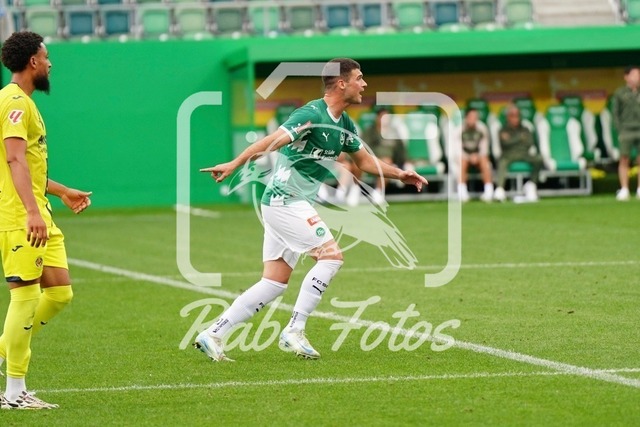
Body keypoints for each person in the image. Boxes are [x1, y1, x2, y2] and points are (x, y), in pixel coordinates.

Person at [197, 58, 428, 361]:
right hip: (285, 200)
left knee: (273, 283)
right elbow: (273, 141)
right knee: (332, 257)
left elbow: (364, 161)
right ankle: (294, 330)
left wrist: (400, 174)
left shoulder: (344, 123)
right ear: (342, 83)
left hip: (286, 203)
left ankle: (213, 333)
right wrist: (235, 163)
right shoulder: (311, 114)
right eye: (359, 78)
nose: (364, 84)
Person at [0, 31, 92, 410]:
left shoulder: (24, 102)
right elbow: (14, 160)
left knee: (59, 292)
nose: (50, 63)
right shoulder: (13, 102)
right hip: (21, 217)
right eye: (46, 56)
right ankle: (14, 392)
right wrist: (32, 213)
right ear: (33, 61)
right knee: (25, 297)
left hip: (38, 212)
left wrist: (62, 191)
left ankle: (5, 352)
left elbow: (29, 166)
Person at [494, 104, 544, 202]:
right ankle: (500, 189)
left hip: (524, 153)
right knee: (502, 162)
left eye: (517, 116)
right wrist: (520, 138)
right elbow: (505, 143)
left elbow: (529, 143)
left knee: (539, 159)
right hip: (509, 154)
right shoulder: (503, 129)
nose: (515, 119)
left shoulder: (525, 128)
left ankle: (531, 184)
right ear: (508, 117)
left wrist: (513, 139)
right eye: (512, 116)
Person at [361, 107, 408, 204]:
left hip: (390, 161)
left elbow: (400, 150)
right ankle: (357, 191)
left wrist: (403, 163)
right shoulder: (370, 131)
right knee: (385, 161)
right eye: (382, 117)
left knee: (387, 162)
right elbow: (363, 148)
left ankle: (378, 191)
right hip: (372, 160)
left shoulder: (393, 132)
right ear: (377, 118)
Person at [611, 65, 640, 201]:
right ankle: (624, 189)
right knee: (624, 159)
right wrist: (620, 130)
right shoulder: (620, 93)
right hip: (626, 130)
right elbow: (615, 114)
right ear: (626, 77)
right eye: (634, 75)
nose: (637, 78)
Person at [457, 108, 493, 202]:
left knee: (485, 160)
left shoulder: (482, 128)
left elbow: (485, 147)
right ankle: (462, 193)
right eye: (471, 117)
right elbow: (457, 148)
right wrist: (469, 156)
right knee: (462, 161)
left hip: (478, 156)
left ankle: (489, 192)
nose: (473, 120)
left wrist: (477, 156)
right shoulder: (459, 129)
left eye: (475, 117)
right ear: (466, 118)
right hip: (465, 156)